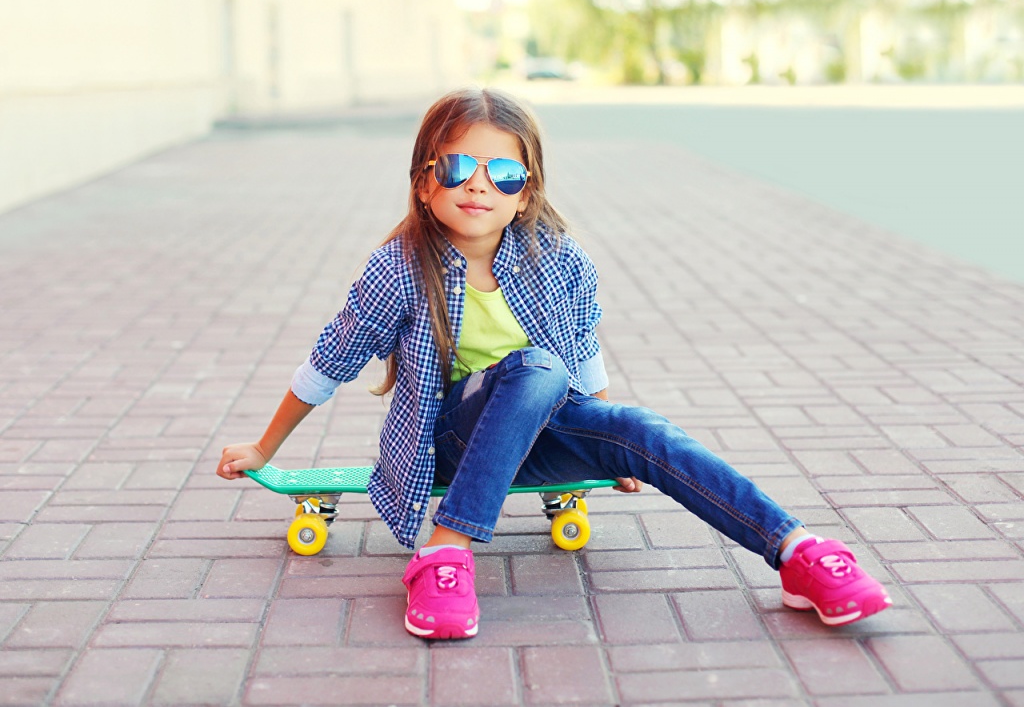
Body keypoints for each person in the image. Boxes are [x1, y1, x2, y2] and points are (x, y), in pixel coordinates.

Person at [216, 87, 892, 640]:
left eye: (502, 173)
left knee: (643, 430)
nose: (478, 185)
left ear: (525, 190)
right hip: (453, 441)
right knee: (536, 366)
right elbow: (331, 359)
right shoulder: (400, 269)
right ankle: (444, 551)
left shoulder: (558, 258)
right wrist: (264, 446)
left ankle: (797, 551)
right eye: (456, 168)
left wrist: (613, 445)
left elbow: (586, 346)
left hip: (546, 432)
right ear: (425, 183)